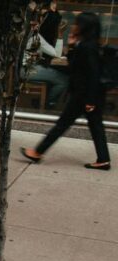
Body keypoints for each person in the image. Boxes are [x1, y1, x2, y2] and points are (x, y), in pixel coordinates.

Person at [22, 12, 110, 170]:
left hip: (84, 95)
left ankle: (37, 152)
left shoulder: (87, 47)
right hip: (88, 95)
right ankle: (103, 159)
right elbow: (74, 68)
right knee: (95, 126)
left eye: (77, 24)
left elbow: (92, 74)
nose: (73, 26)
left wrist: (90, 100)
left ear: (84, 27)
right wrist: (70, 47)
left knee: (62, 124)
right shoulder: (87, 44)